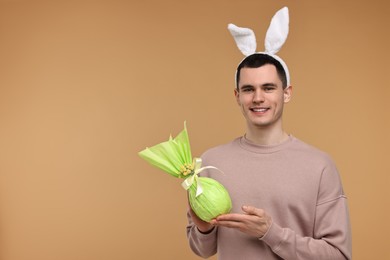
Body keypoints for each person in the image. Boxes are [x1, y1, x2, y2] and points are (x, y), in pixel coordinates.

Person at [186, 7, 352, 260]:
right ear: (237, 96)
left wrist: (271, 233)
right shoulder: (210, 163)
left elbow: (338, 255)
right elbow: (203, 250)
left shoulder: (320, 166)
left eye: (269, 87)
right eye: (248, 89)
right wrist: (204, 227)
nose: (258, 98)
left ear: (286, 93)